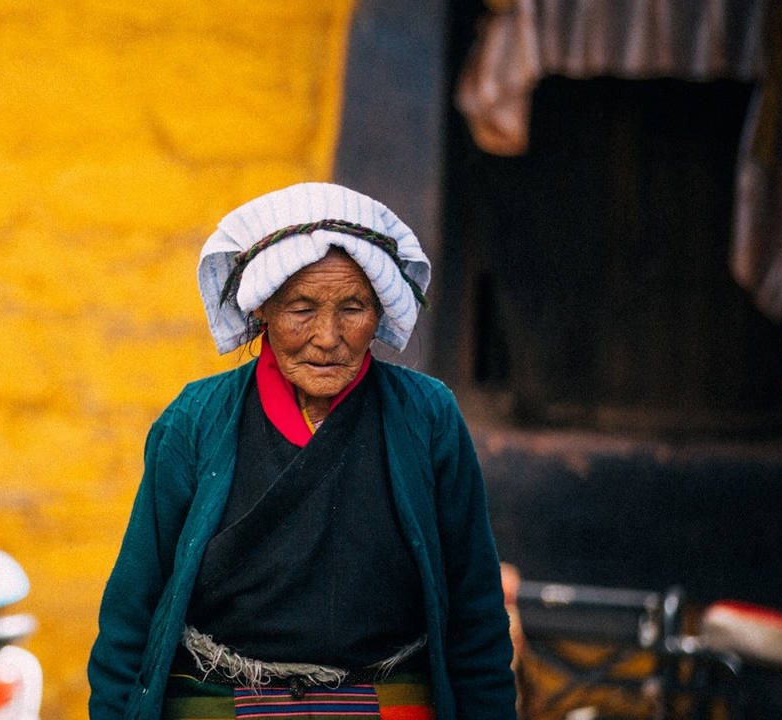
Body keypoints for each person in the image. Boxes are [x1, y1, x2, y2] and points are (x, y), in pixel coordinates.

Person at [86, 183, 516, 720]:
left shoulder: (427, 416)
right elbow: (131, 610)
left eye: (353, 308)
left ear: (380, 311)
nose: (328, 337)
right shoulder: (196, 419)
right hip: (222, 703)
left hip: (384, 705)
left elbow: (475, 612)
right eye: (301, 308)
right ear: (262, 310)